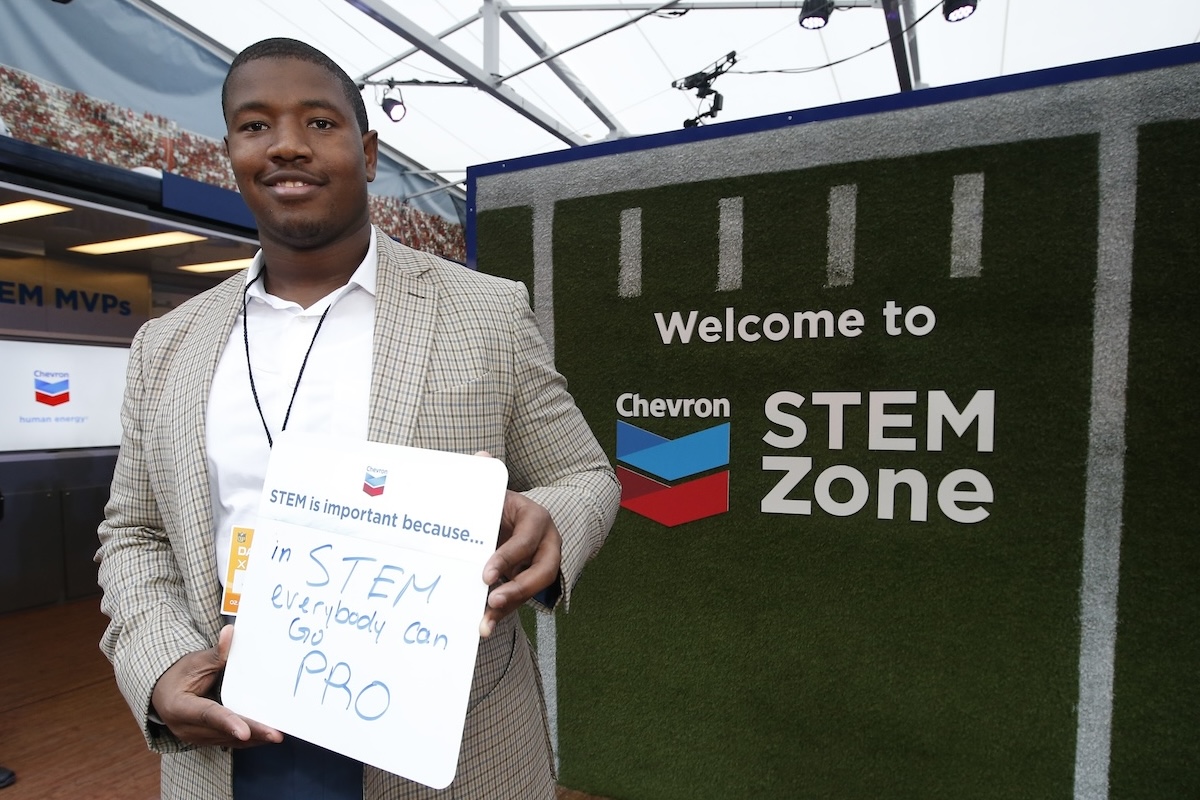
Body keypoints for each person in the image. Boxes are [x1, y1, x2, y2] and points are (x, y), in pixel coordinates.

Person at [96, 37, 620, 800]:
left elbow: (584, 474)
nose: (285, 145)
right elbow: (134, 531)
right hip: (230, 738)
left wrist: (551, 525)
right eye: (254, 125)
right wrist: (159, 665)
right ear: (230, 154)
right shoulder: (166, 345)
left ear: (368, 153)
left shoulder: (486, 312)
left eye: (319, 122)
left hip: (450, 747)